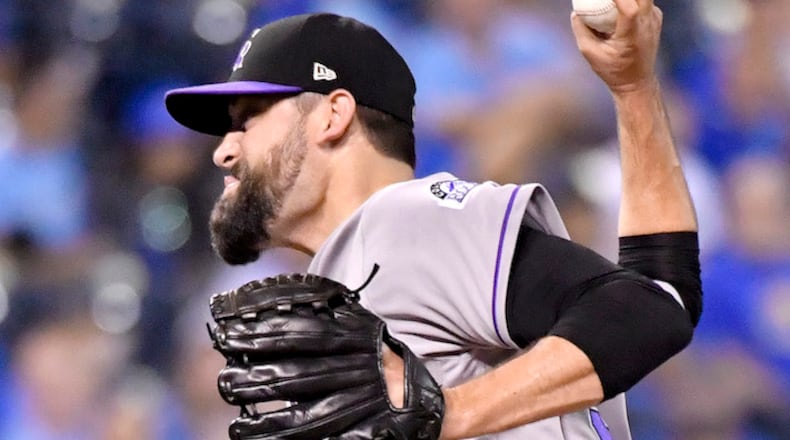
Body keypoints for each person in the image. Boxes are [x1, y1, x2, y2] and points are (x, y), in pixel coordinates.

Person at [164, 1, 702, 438]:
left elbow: (646, 313)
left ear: (333, 115)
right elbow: (661, 293)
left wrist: (450, 412)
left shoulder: (403, 224)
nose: (223, 151)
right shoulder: (361, 265)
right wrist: (633, 91)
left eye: (250, 119)